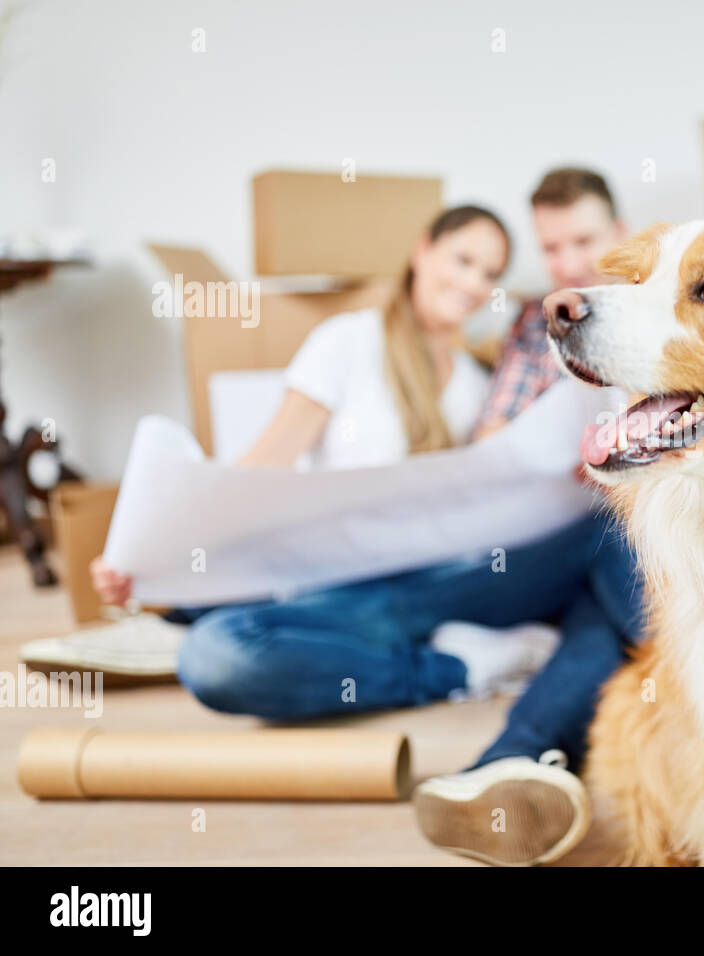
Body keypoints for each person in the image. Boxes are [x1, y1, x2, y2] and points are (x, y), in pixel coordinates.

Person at [69, 204, 573, 711]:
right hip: (313, 573)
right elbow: (260, 470)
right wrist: (156, 554)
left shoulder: (473, 383)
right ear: (422, 250)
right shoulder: (348, 342)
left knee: (214, 654)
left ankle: (455, 668)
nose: (473, 283)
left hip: (411, 579)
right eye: (462, 260)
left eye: (489, 273)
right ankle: (446, 657)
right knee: (216, 651)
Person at [412, 167, 649, 867]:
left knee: (602, 610)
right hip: (550, 540)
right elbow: (492, 447)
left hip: (629, 542)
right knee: (609, 561)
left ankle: (508, 767)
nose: (569, 263)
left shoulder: (659, 309)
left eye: (583, 240)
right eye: (552, 248)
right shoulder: (534, 322)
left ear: (621, 234)